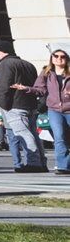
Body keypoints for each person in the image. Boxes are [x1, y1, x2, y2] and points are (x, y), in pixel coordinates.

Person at [42, 48, 70, 177]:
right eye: (56, 56)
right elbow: (40, 89)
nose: (59, 58)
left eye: (62, 56)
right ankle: (63, 166)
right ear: (52, 58)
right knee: (59, 137)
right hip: (54, 110)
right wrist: (26, 89)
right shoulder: (47, 73)